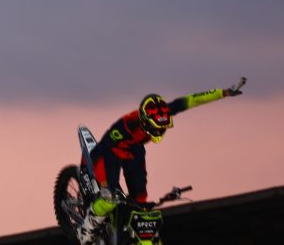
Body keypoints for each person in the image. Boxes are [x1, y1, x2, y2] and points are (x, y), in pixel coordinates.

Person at [76, 78, 247, 245]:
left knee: (141, 202)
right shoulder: (125, 127)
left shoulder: (162, 112)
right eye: (156, 128)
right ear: (144, 121)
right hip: (113, 151)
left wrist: (224, 92)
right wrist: (104, 183)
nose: (159, 132)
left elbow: (192, 100)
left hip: (135, 150)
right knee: (109, 198)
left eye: (162, 128)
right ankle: (86, 229)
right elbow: (100, 152)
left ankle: (126, 232)